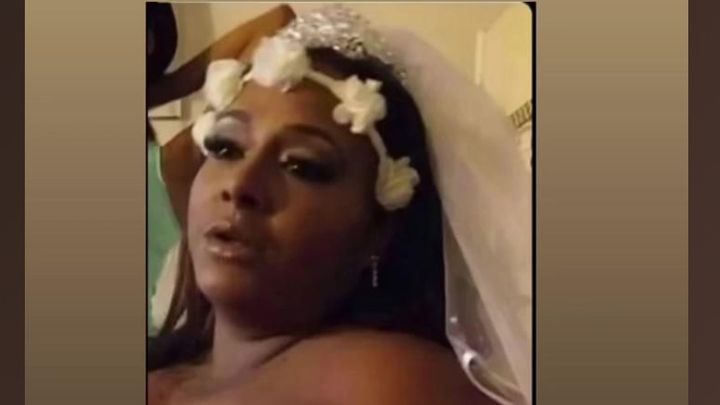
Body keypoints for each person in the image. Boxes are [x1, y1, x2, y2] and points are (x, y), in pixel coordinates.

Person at [148, 5, 531, 405]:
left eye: (301, 166)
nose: (241, 184)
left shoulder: (389, 382)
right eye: (225, 147)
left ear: (377, 232)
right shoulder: (165, 364)